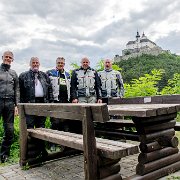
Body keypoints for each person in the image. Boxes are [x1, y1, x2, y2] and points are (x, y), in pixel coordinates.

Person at [19, 57, 53, 158]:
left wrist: (50, 103)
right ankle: (31, 153)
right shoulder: (23, 75)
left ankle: (42, 150)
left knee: (41, 127)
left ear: (39, 64)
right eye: (33, 63)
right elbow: (20, 92)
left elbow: (49, 90)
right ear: (30, 64)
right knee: (30, 128)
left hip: (42, 104)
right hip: (29, 104)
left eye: (37, 63)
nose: (35, 64)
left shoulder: (44, 75)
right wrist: (21, 106)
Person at [46, 57, 71, 151]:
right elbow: (47, 88)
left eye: (62, 63)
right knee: (55, 123)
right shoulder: (50, 73)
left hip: (66, 101)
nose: (60, 64)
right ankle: (52, 143)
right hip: (55, 101)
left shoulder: (67, 74)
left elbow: (71, 88)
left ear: (64, 64)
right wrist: (49, 100)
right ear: (56, 63)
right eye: (59, 63)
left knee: (65, 123)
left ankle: (64, 144)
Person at [0, 51, 19, 163]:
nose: (8, 58)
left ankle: (4, 154)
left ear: (12, 59)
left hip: (9, 104)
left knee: (9, 130)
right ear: (2, 58)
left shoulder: (13, 73)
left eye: (10, 57)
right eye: (6, 57)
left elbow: (17, 90)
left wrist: (16, 105)